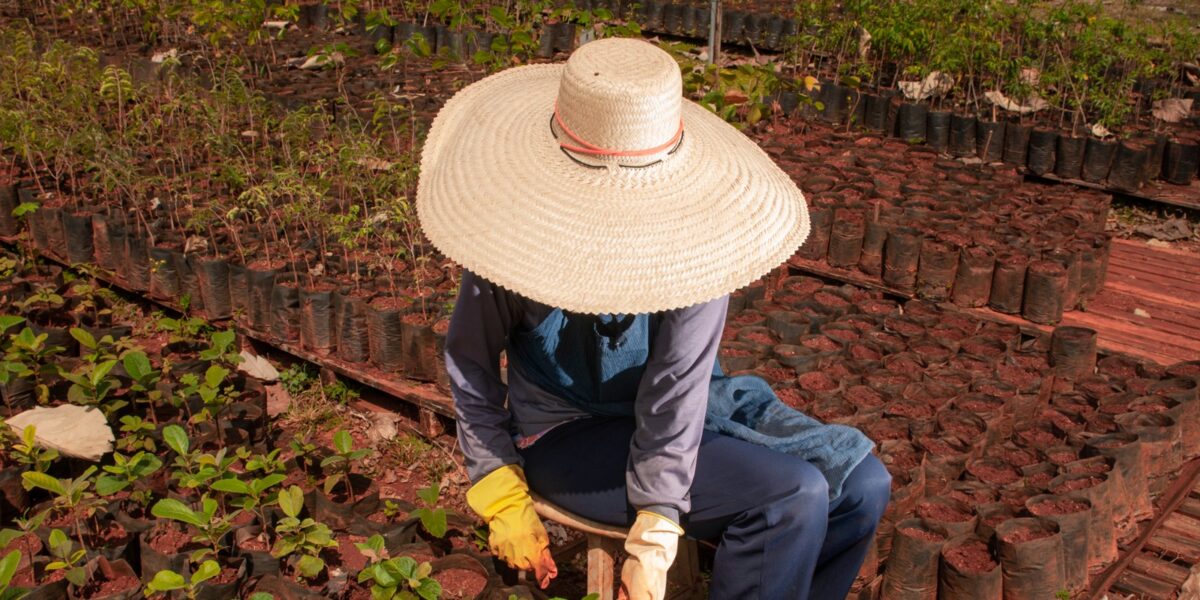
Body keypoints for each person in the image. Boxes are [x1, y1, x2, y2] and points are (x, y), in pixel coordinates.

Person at [416, 38, 890, 600]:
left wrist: (656, 529)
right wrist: (498, 484)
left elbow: (675, 392)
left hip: (677, 414)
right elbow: (469, 363)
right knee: (793, 496)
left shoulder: (700, 242)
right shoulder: (512, 239)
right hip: (567, 430)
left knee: (863, 484)